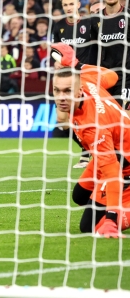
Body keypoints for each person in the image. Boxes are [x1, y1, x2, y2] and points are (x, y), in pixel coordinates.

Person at [51, 42, 130, 238]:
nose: (61, 97)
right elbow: (112, 77)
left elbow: (111, 170)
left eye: (67, 91)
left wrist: (112, 218)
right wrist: (78, 65)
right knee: (79, 196)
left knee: (89, 228)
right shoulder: (85, 81)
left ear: (77, 92)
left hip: (123, 159)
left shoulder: (93, 127)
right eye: (56, 90)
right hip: (112, 146)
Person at [51, 0, 94, 168]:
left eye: (71, 4)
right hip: (67, 78)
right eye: (65, 5)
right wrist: (57, 61)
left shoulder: (89, 23)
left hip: (86, 77)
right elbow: (56, 51)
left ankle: (90, 153)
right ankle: (85, 148)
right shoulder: (59, 26)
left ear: (78, 4)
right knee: (62, 120)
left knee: (88, 117)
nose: (68, 7)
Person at [91, 0, 130, 116]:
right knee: (105, 117)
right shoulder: (95, 20)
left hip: (126, 78)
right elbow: (93, 52)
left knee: (124, 118)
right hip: (104, 79)